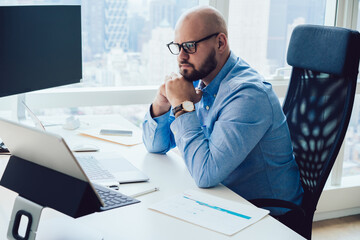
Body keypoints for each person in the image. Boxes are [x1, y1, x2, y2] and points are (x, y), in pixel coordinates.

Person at [142, 6, 303, 216]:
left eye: (189, 46)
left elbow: (205, 174)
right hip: (222, 200)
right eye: (177, 46)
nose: (181, 56)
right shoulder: (200, 82)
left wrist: (182, 105)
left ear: (220, 43)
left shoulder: (248, 94)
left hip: (267, 216)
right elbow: (155, 146)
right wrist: (162, 103)